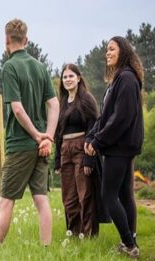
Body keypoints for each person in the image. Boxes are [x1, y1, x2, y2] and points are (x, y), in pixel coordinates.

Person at [0, 18, 59, 248]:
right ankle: (46, 249)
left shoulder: (9, 66)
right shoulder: (40, 67)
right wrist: (47, 136)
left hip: (20, 144)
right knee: (41, 200)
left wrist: (37, 136)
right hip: (40, 148)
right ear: (26, 40)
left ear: (7, 40)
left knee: (5, 201)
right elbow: (55, 104)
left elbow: (17, 109)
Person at [85, 36, 144, 258]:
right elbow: (105, 117)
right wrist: (93, 137)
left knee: (109, 195)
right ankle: (130, 242)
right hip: (119, 145)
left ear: (123, 52)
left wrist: (98, 141)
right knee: (125, 195)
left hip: (119, 146)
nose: (107, 53)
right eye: (106, 50)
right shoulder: (118, 79)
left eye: (112, 49)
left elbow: (121, 118)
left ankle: (129, 245)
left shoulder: (127, 78)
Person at [54, 63, 102, 237]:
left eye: (71, 76)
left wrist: (90, 157)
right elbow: (58, 132)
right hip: (65, 149)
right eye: (65, 77)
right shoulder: (61, 103)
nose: (67, 80)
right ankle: (74, 233)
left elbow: (94, 128)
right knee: (69, 197)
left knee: (85, 194)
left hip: (82, 148)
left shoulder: (86, 99)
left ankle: (88, 234)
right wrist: (57, 158)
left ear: (79, 78)